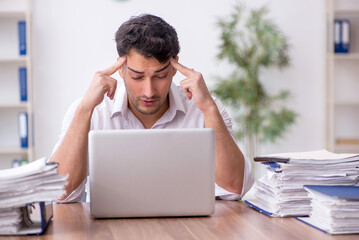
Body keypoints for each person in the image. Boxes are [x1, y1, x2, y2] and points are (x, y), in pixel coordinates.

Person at [50, 14, 254, 202]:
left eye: (161, 76)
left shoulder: (206, 108)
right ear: (120, 69)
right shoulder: (90, 110)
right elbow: (58, 192)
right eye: (137, 77)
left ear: (175, 67)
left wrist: (209, 109)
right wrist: (85, 109)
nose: (149, 91)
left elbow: (235, 187)